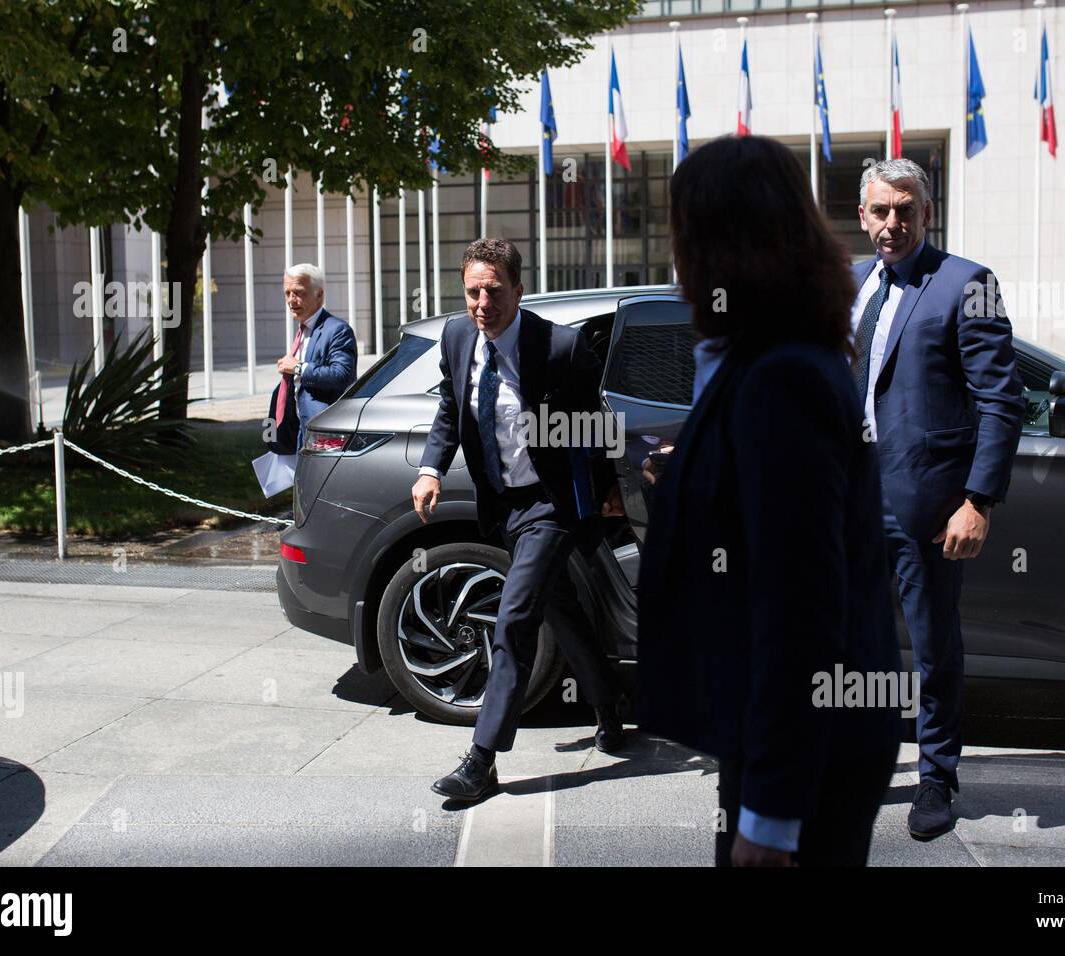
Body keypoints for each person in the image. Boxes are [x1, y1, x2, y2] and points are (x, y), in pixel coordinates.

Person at [635, 136, 902, 867]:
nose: (673, 251)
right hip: (786, 737)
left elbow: (802, 604)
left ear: (720, 242)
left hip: (808, 764)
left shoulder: (783, 374)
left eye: (681, 231)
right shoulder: (763, 354)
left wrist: (773, 813)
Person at [413, 238, 625, 803]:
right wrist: (431, 469)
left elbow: (595, 427)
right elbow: (449, 409)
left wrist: (608, 495)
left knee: (514, 620)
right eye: (472, 292)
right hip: (502, 505)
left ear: (518, 290)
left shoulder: (558, 347)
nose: (482, 303)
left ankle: (482, 759)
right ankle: (608, 705)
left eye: (494, 291)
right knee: (560, 608)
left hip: (550, 504)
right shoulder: (457, 339)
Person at [850, 159, 1024, 840]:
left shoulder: (967, 284)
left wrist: (977, 499)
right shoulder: (853, 282)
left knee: (932, 649)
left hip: (925, 507)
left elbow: (1001, 399)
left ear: (927, 213)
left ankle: (936, 778)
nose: (893, 223)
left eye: (906, 210)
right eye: (881, 211)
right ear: (863, 216)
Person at [274, 263, 358, 449]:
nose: (291, 300)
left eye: (298, 292)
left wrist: (298, 368)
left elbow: (342, 375)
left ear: (319, 294)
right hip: (302, 429)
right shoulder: (303, 329)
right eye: (287, 293)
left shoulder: (337, 330)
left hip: (326, 432)